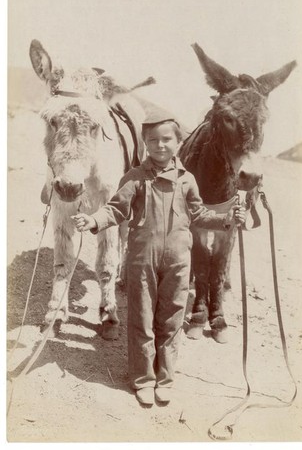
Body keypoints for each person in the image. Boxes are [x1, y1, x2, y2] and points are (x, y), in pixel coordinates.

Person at [72, 114, 246, 407]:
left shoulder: (187, 180)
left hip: (179, 260)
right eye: (153, 140)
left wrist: (227, 219)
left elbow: (199, 214)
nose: (160, 145)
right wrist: (92, 220)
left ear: (179, 143)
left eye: (167, 139)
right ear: (145, 144)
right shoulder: (135, 178)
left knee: (172, 318)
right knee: (141, 318)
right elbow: (115, 210)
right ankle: (143, 380)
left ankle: (164, 378)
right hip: (142, 259)